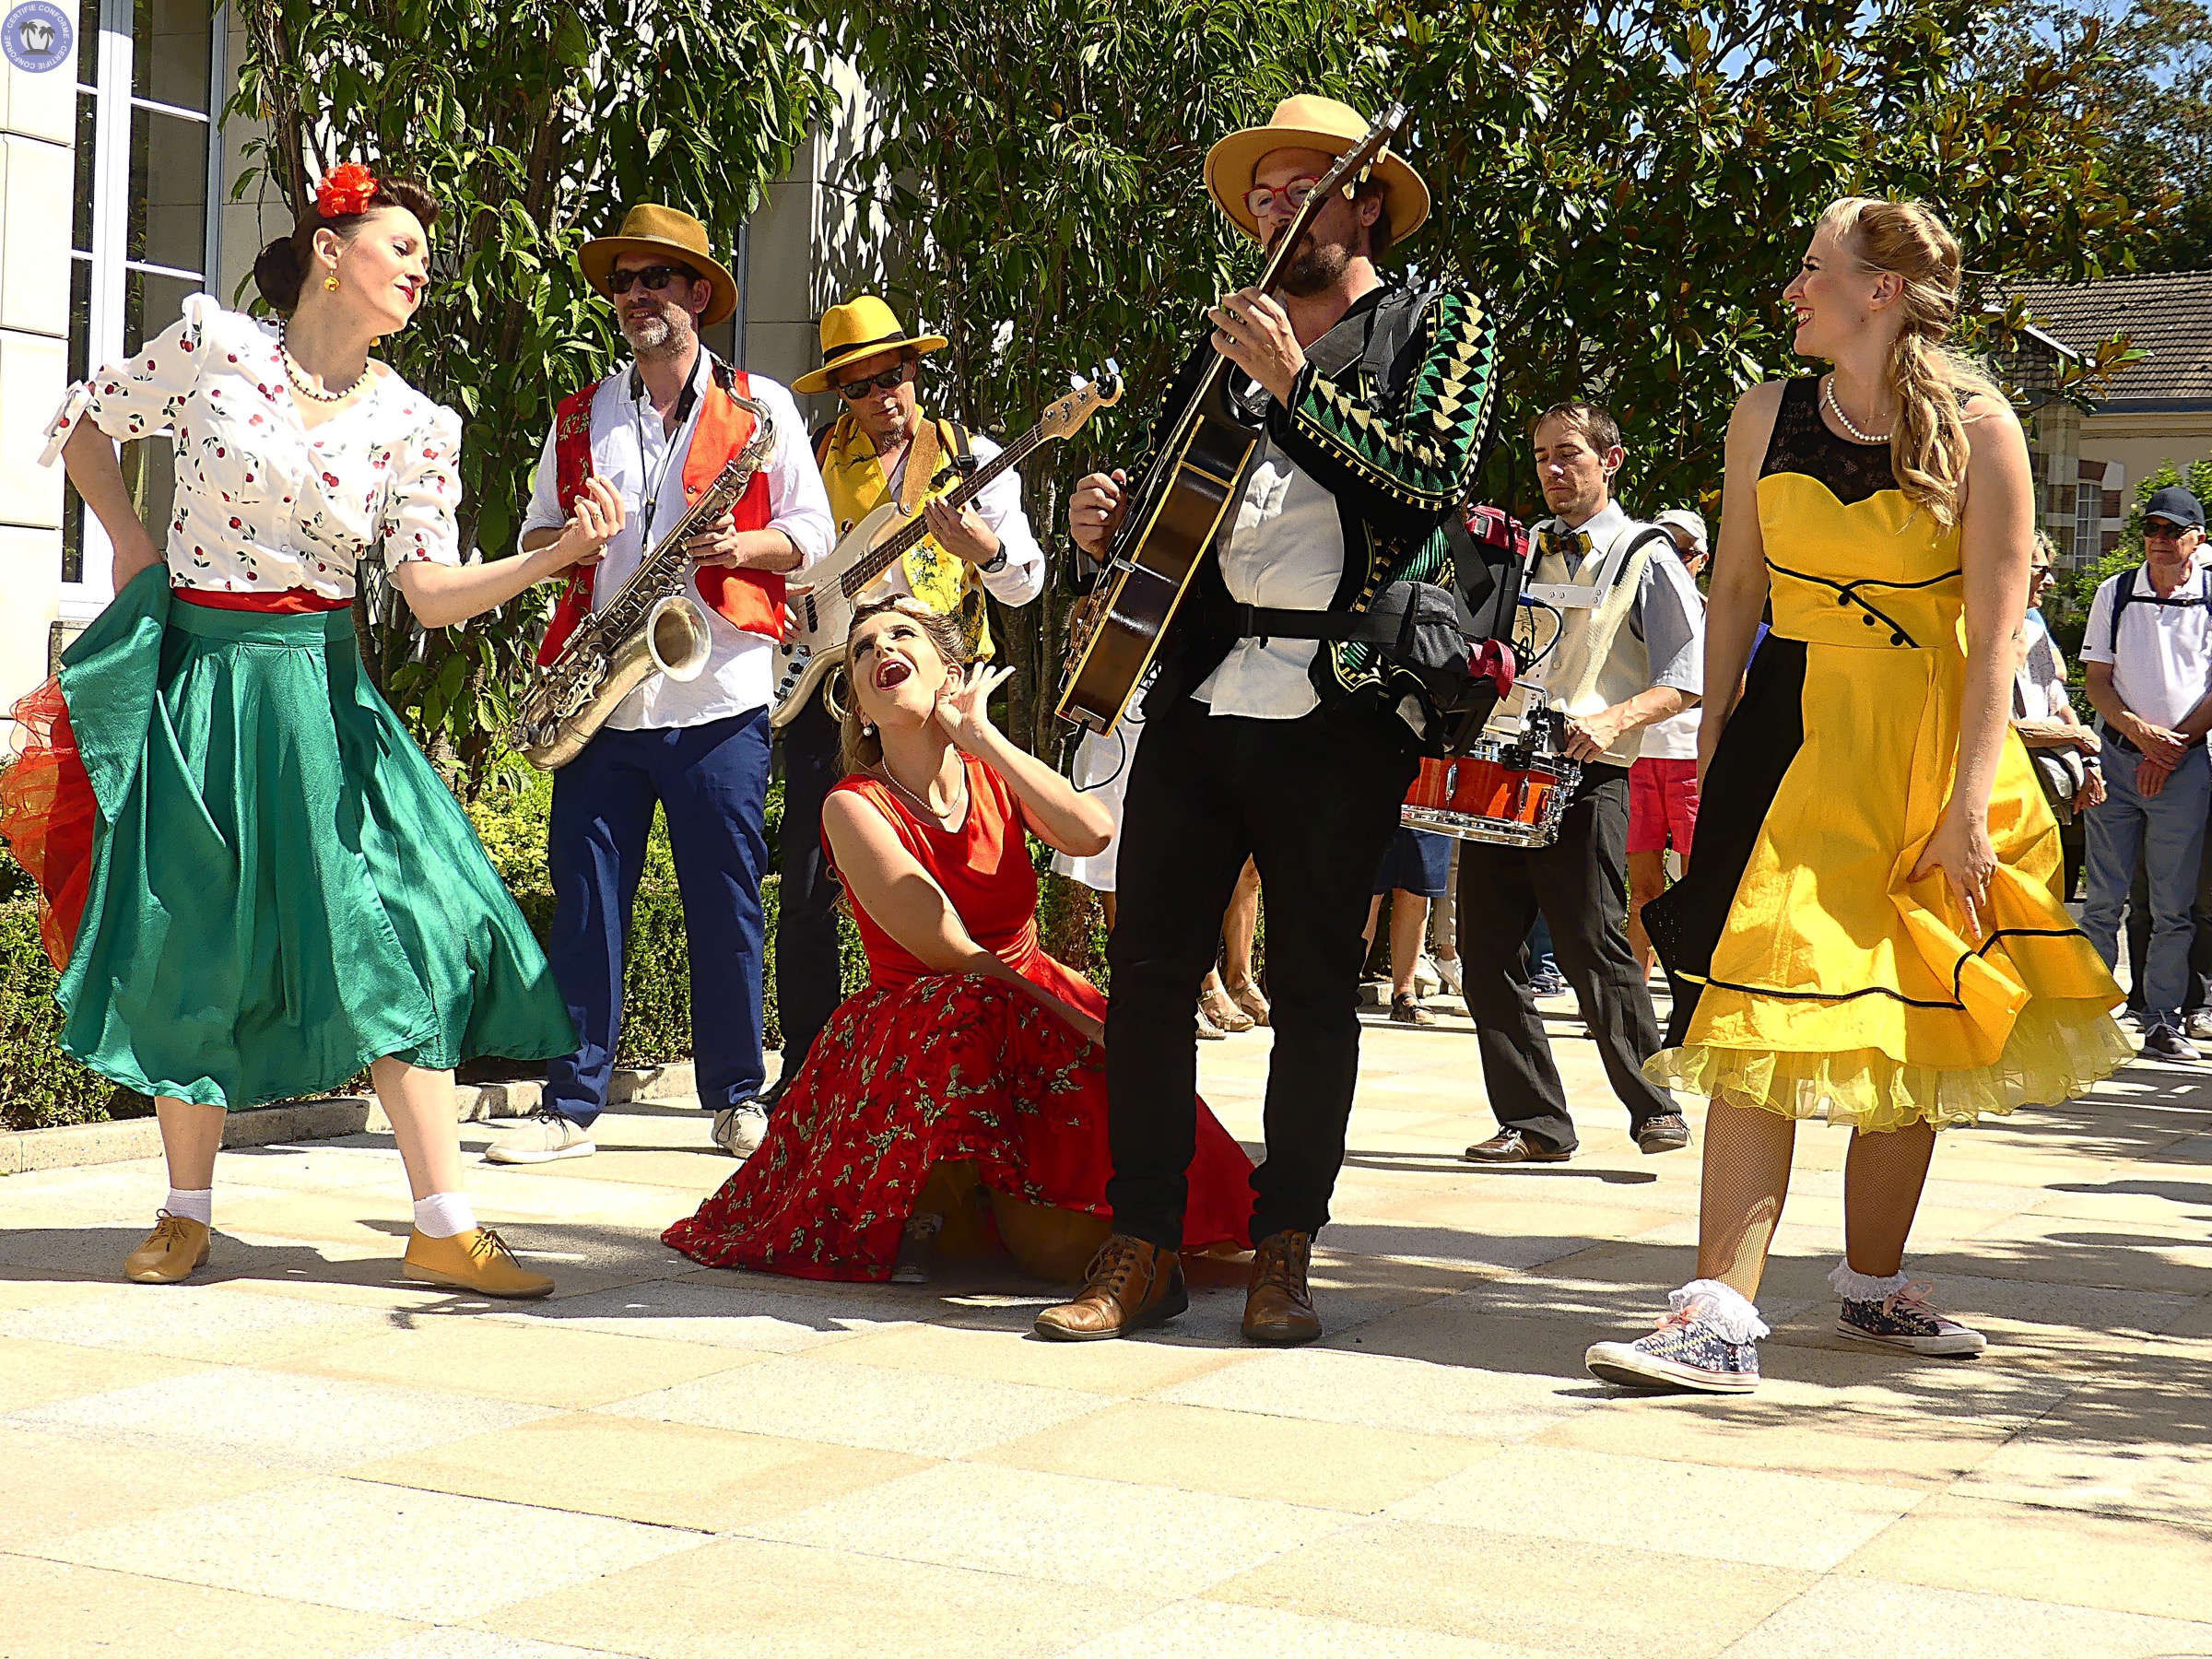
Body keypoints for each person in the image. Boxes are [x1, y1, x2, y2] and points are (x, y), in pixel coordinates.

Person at [3, 164, 586, 1295]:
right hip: (206, 685)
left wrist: (552, 560)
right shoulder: (214, 351)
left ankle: (442, 1221)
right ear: (331, 248)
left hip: (323, 690)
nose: (422, 265)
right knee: (192, 932)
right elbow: (82, 419)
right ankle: (184, 1214)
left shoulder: (417, 422)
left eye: (427, 252)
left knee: (407, 925)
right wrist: (127, 540)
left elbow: (424, 589)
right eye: (401, 242)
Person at [1587, 196, 2129, 1395]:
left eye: (1813, 270)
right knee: (1754, 1005)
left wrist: (1966, 809)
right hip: (1788, 733)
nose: (1793, 288)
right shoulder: (1761, 415)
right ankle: (1719, 1311)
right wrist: (1716, 745)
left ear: (1877, 290)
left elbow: (1996, 643)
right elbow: (1733, 592)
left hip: (1931, 742)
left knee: (1910, 1023)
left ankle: (1871, 1293)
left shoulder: (1983, 430)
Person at [1037, 95, 1498, 1347]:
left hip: (1339, 706)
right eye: (1259, 195)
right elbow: (1170, 517)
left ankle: (1286, 1241)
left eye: (1300, 189)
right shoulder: (1224, 335)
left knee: (1310, 985)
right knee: (1145, 978)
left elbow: (1424, 488)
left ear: (1363, 198)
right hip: (1199, 694)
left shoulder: (1437, 324)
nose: (1273, 211)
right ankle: (1144, 1242)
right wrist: (1104, 528)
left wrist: (1294, 387)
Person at [663, 598, 1254, 1282]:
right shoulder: (851, 805)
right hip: (928, 1022)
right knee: (1049, 1226)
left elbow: (1093, 833)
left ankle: (1001, 1209)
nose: (880, 649)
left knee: (1144, 1184)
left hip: (1025, 991)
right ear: (857, 706)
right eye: (861, 650)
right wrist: (1079, 1024)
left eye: (901, 635)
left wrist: (986, 741)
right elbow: (952, 953)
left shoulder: (988, 770)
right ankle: (949, 1198)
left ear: (948, 671)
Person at [484, 206, 833, 1168]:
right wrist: (569, 543)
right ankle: (571, 1101)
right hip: (605, 691)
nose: (635, 296)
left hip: (716, 688)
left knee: (723, 900)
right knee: (587, 895)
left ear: (697, 297)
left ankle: (732, 1095)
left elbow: (814, 534)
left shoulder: (763, 410)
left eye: (655, 280)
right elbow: (530, 539)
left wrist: (745, 544)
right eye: (623, 282)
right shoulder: (578, 417)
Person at [769, 296, 1046, 1105]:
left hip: (949, 699)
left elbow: (1026, 584)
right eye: (859, 386)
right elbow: (788, 564)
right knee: (812, 883)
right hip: (837, 689)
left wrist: (984, 549)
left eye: (893, 377)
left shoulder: (970, 456)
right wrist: (786, 599)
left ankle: (986, 1054)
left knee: (975, 871)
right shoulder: (811, 458)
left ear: (916, 372)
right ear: (839, 395)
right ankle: (810, 1068)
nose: (882, 397)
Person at [1457, 404, 1705, 1166]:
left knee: (1594, 944)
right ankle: (1535, 1122)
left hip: (1588, 773)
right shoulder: (1519, 551)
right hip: (1500, 766)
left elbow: (1691, 676)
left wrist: (1613, 719)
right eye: (1541, 458)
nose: (1553, 471)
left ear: (1612, 460)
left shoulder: (1648, 556)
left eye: (1569, 455)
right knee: (1484, 950)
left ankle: (1654, 1105)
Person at [2077, 484, 2212, 1060]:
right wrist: (2140, 737)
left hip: (2183, 763)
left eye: (2171, 531)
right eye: (2151, 529)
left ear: (2196, 540)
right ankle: (2088, 1013)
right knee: (2102, 899)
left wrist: (2172, 749)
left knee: (2172, 904)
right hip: (2120, 757)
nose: (2158, 541)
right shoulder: (2116, 592)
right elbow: (2097, 682)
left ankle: (2162, 1017)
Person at [1627, 507, 1712, 977]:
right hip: (1638, 759)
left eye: (1683, 551)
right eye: (1665, 548)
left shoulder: (1715, 613)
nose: (1674, 559)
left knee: (1696, 883)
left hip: (1692, 763)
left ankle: (1691, 987)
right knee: (1642, 890)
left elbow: (1733, 690)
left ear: (1701, 557)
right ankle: (1635, 994)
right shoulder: (1630, 604)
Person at [2010, 535, 2103, 900]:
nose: (2049, 582)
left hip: (2048, 797)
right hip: (2005, 795)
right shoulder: (1975, 635)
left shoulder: (2034, 633)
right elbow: (2007, 730)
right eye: (2041, 571)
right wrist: (2076, 737)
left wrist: (2090, 759)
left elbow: (2058, 701)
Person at [1366, 829, 1452, 1024]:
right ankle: (1343, 991)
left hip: (1426, 804)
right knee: (1368, 889)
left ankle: (1404, 992)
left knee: (1417, 889)